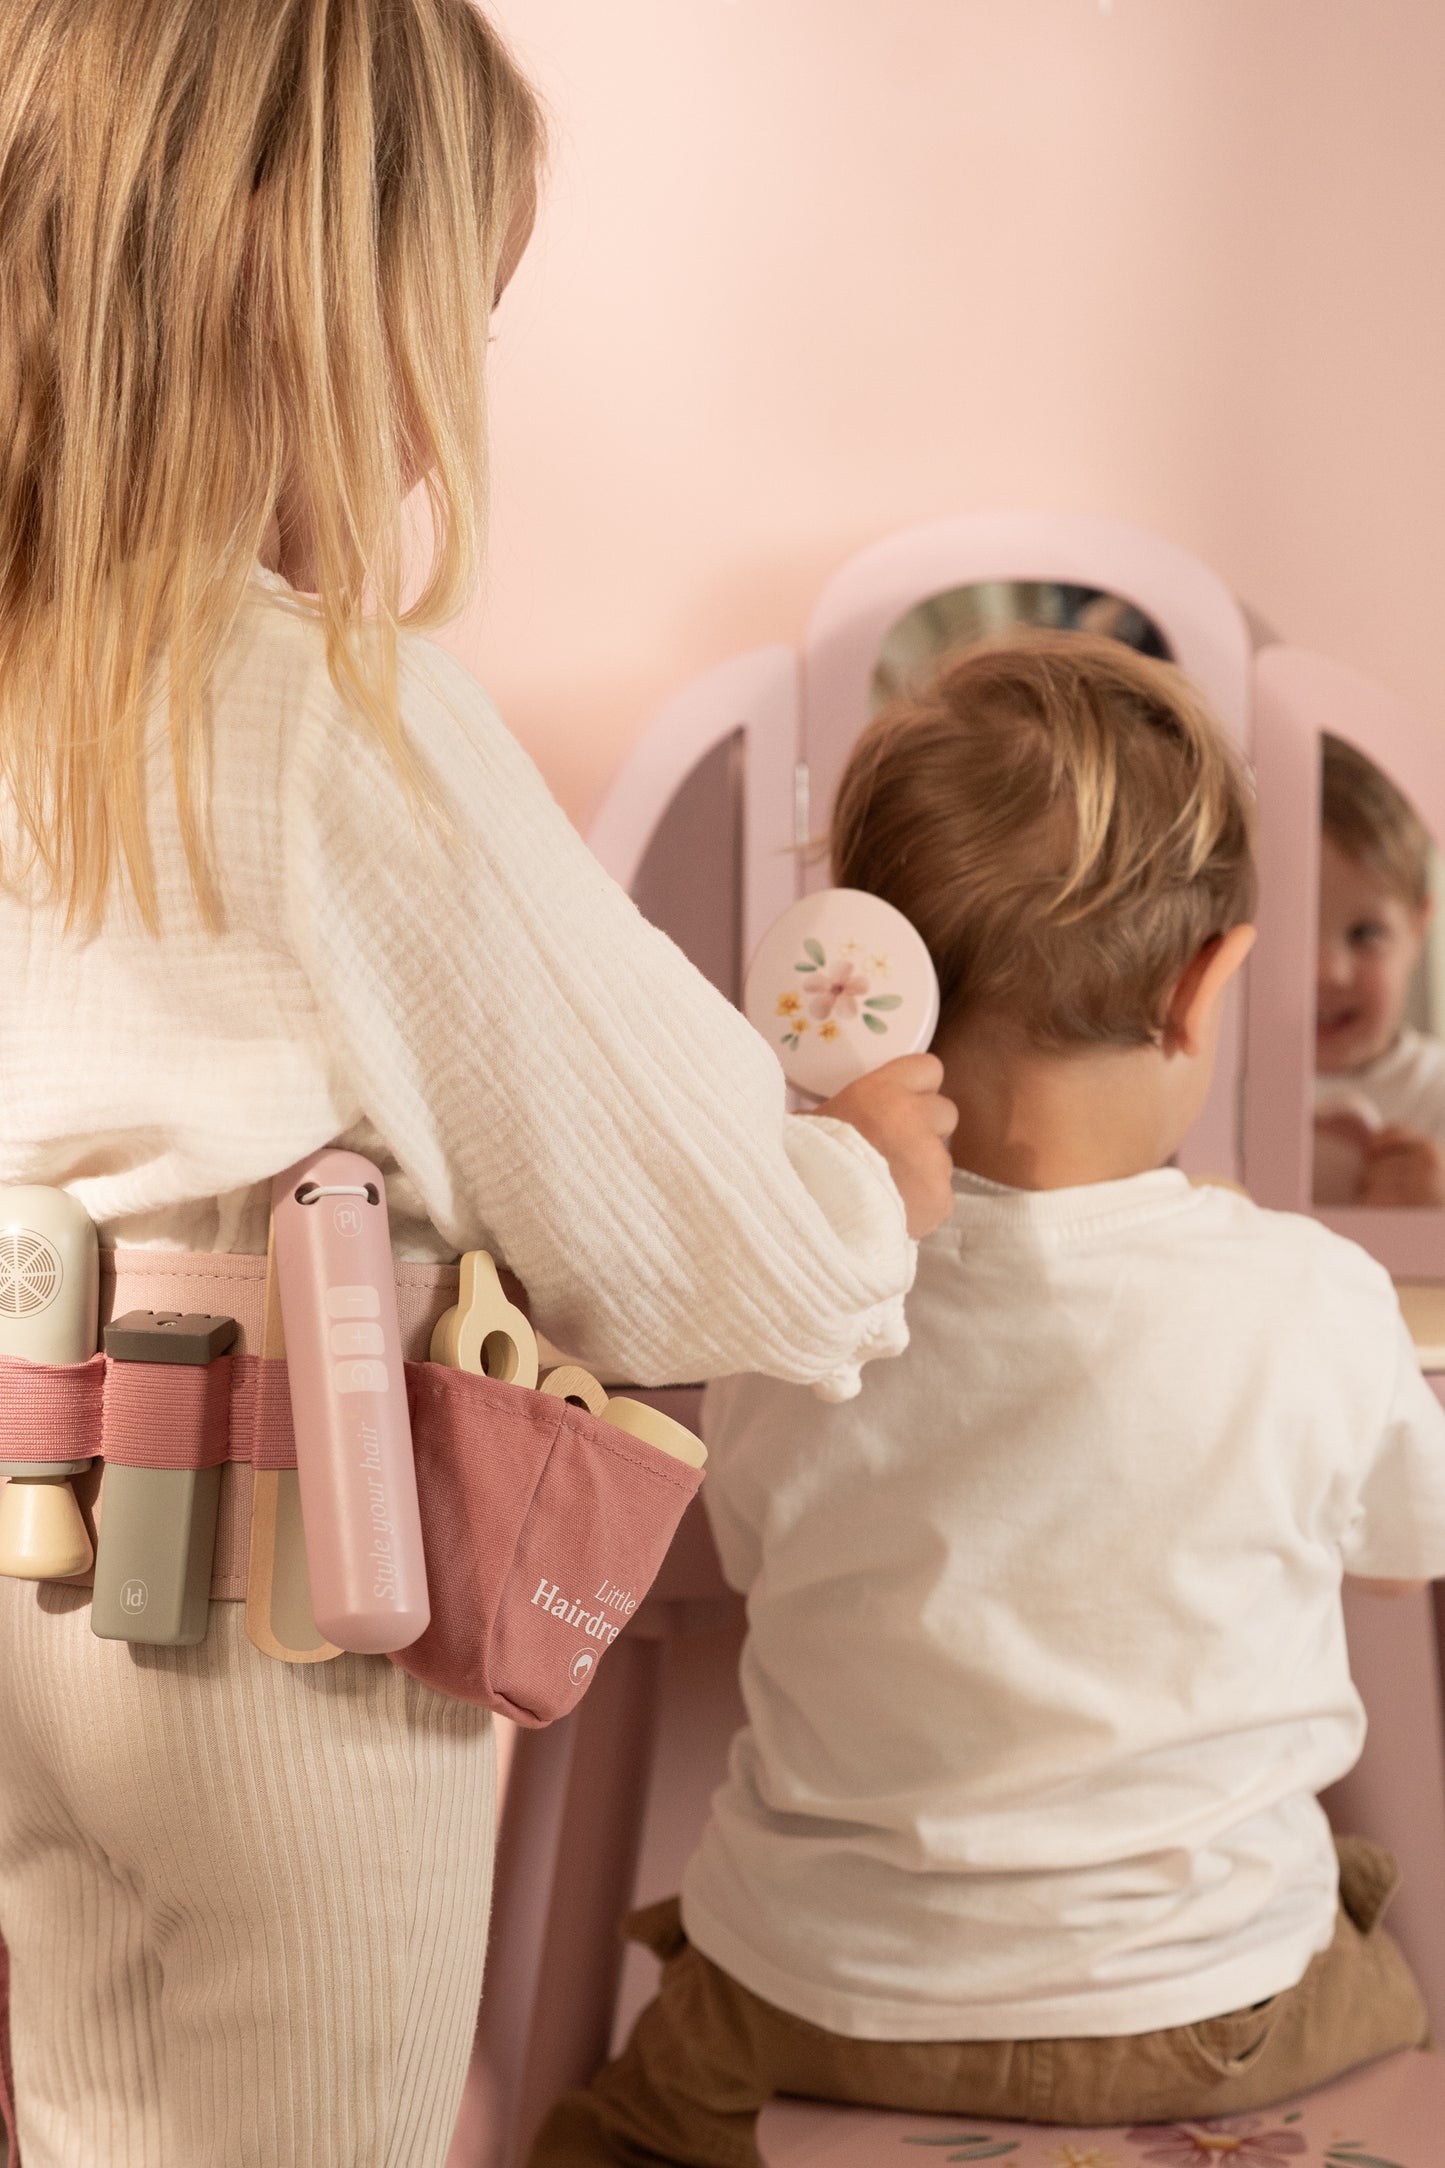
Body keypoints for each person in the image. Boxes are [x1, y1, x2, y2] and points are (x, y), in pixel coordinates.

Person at [0, 6, 958, 2163]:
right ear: (295, 276)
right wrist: (859, 1192)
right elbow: (693, 1231)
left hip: (25, 1604)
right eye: (453, 321)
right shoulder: (331, 722)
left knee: (91, 2116)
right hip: (270, 1630)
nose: (441, 418)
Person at [531, 632, 1445, 2162]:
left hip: (823, 2008)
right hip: (1217, 2019)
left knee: (611, 2126)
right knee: (1355, 1920)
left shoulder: (809, 1295)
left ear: (863, 987)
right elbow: (1411, 1536)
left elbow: (746, 1545)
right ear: (1208, 985)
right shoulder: (1314, 1300)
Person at [1314, 734, 1445, 1206]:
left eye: (1365, 933)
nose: (1328, 971)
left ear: (1418, 931)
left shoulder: (1436, 1092)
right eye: (1291, 931)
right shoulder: (1216, 1099)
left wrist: (1434, 1216)